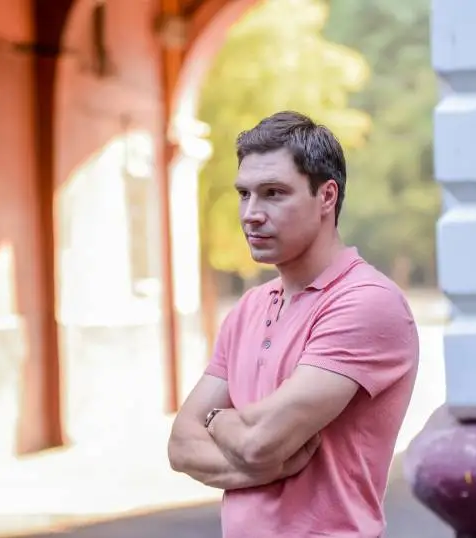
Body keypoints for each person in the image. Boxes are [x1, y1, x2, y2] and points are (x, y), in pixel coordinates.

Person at [167, 110, 419, 538]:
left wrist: (214, 420)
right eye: (244, 194)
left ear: (326, 196)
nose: (251, 213)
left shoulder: (366, 302)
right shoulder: (249, 308)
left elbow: (260, 441)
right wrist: (259, 465)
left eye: (273, 193)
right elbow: (180, 446)